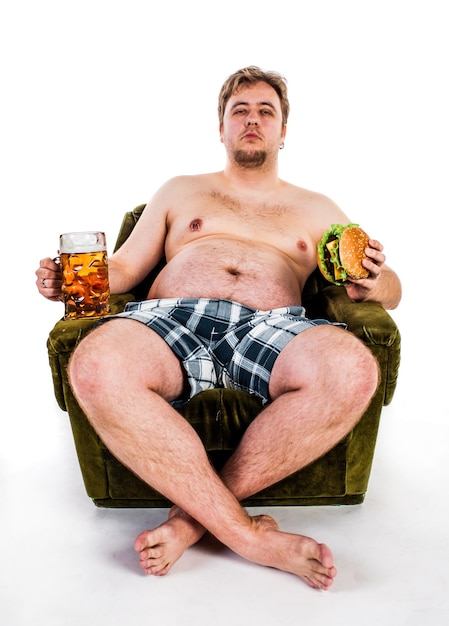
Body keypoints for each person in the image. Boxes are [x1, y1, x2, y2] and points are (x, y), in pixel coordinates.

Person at [36, 66, 401, 591]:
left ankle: (189, 523)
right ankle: (249, 537)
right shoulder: (179, 191)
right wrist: (69, 283)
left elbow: (391, 287)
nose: (252, 120)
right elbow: (121, 270)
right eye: (240, 111)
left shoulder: (318, 208)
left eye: (265, 111)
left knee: (353, 370)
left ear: (283, 130)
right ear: (222, 127)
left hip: (271, 330)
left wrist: (376, 283)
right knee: (93, 364)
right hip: (168, 323)